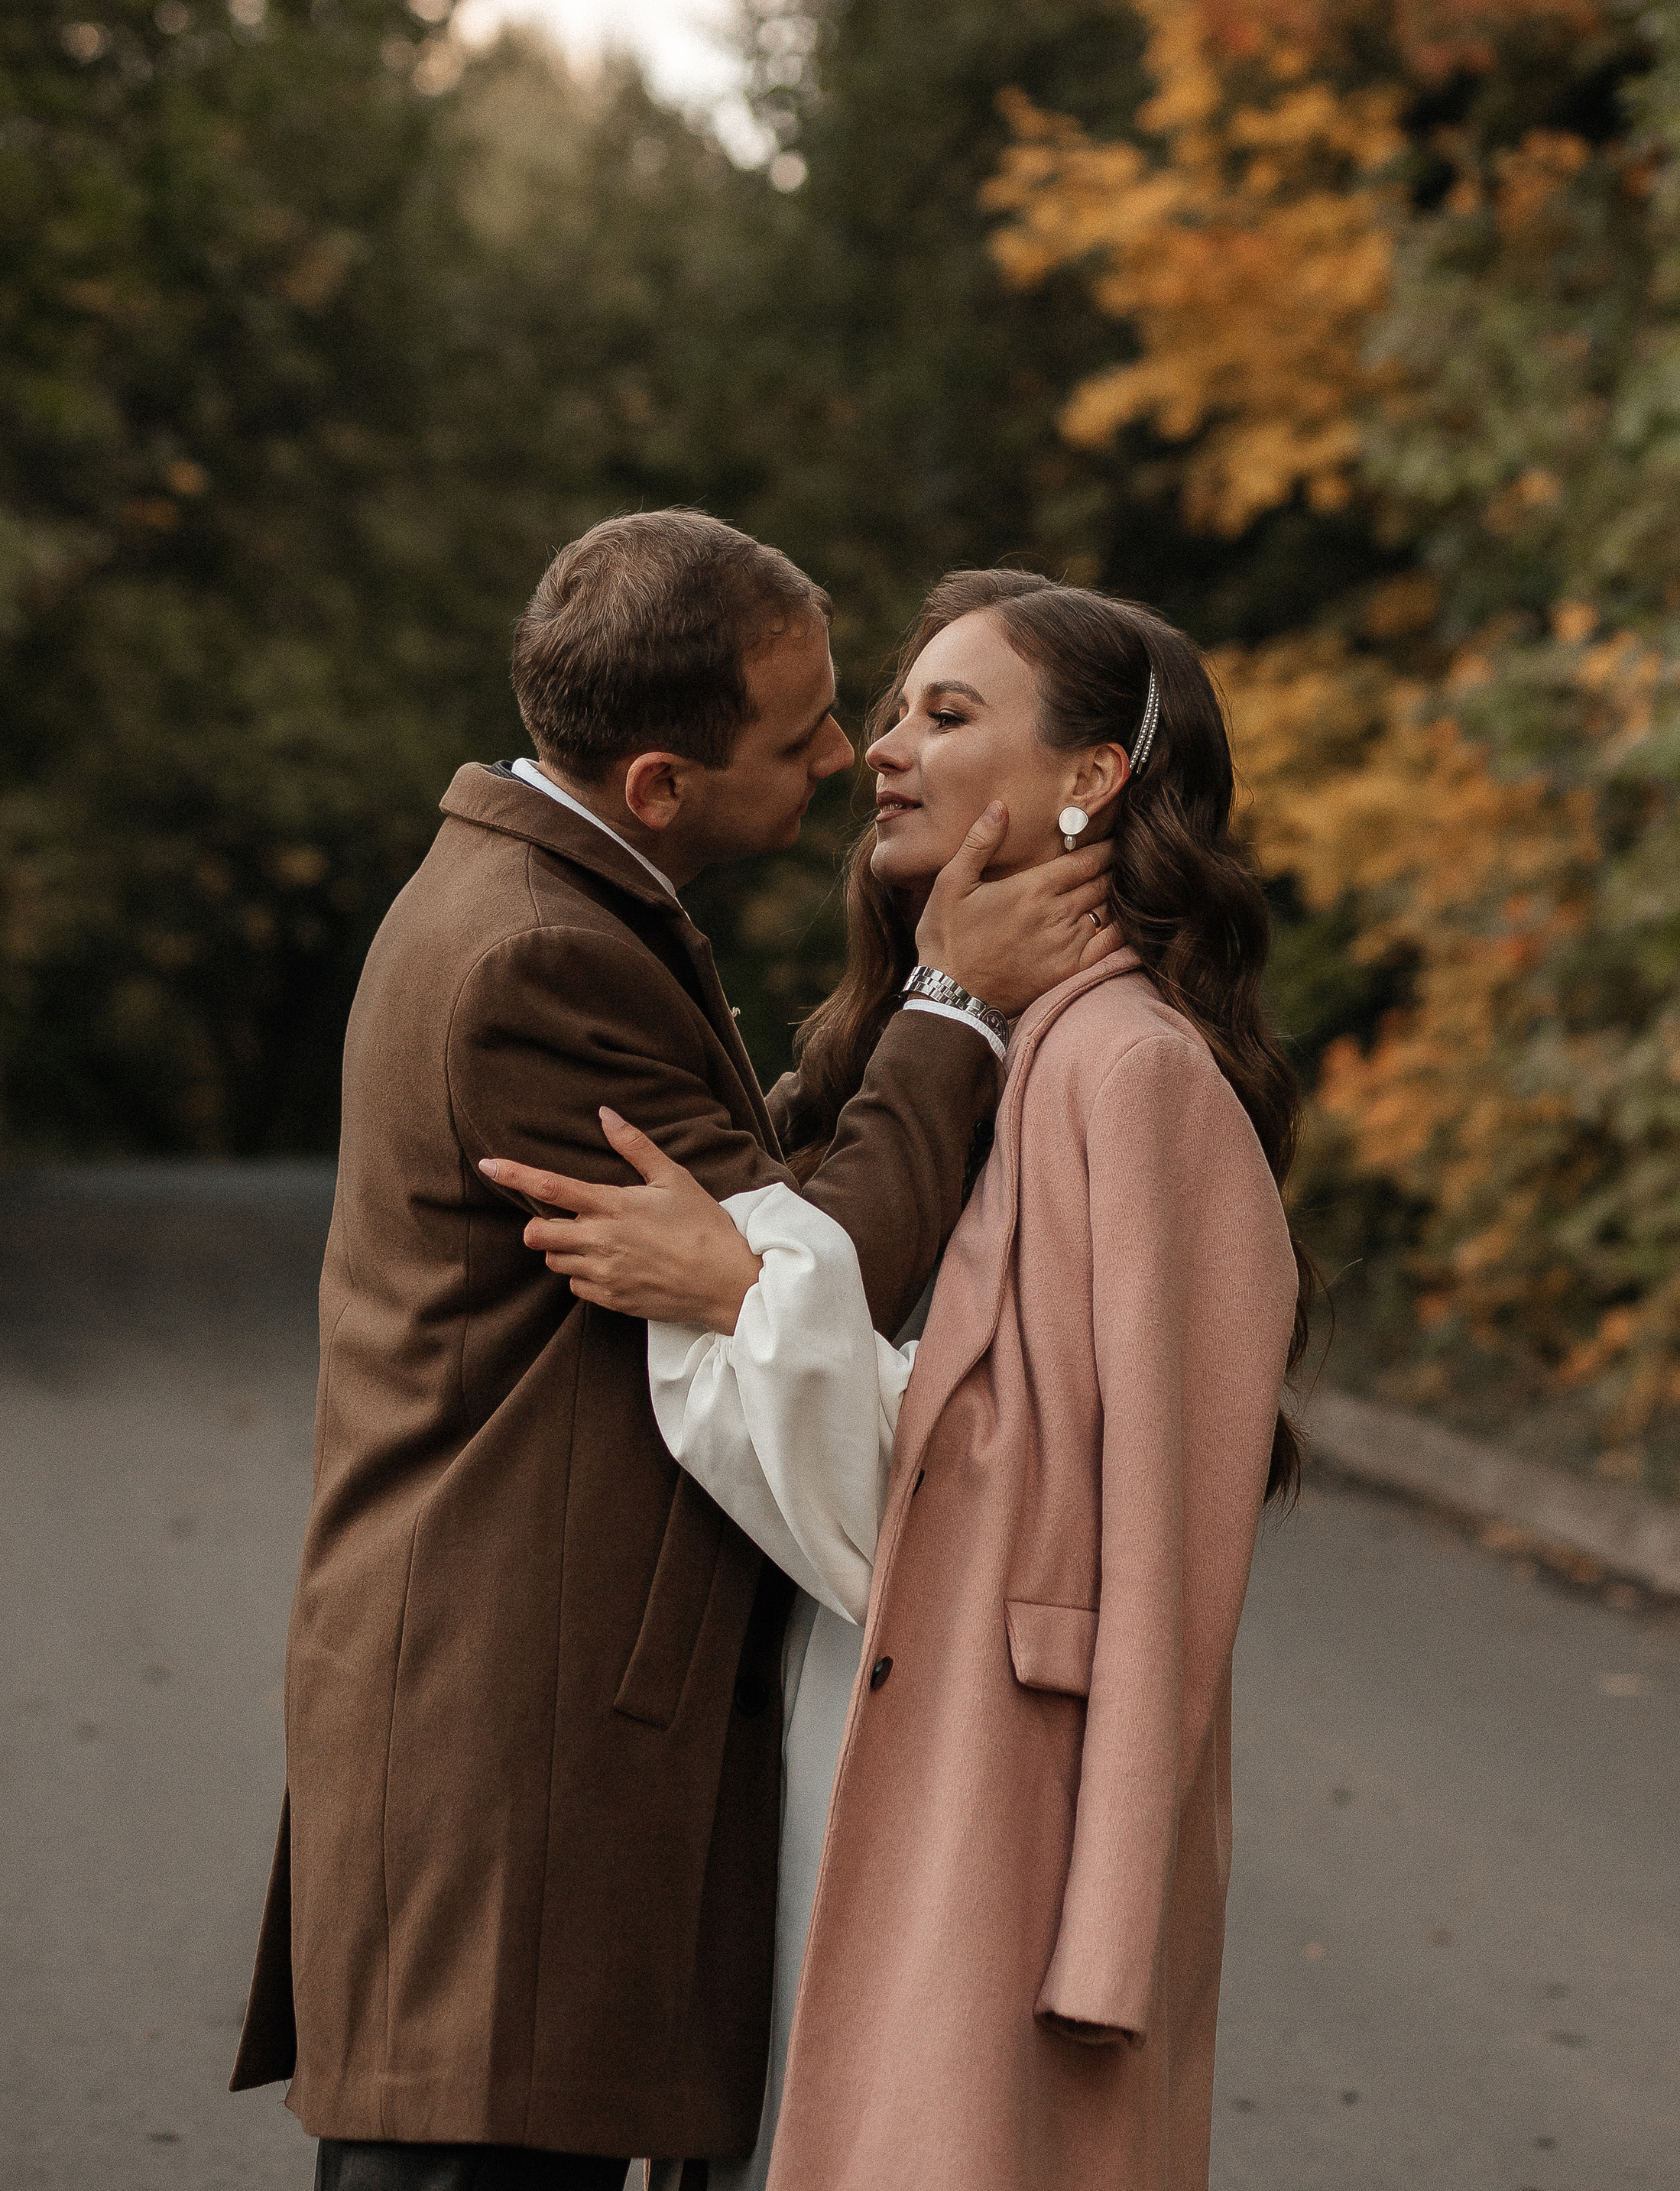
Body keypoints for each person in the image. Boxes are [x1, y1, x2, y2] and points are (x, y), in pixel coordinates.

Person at [231, 516, 1115, 2191]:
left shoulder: (560, 892)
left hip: (518, 1690)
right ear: (657, 783)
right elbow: (823, 1273)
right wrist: (952, 1006)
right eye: (800, 735)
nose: (847, 753)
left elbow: (752, 1215)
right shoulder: (535, 951)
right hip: (518, 1712)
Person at [487, 569, 1306, 2191]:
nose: (880, 747)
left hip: (996, 1782)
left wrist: (741, 1293)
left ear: (1090, 778)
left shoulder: (1133, 1072)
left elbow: (1102, 1521)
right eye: (891, 710)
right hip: (847, 1716)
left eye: (947, 712)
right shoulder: (968, 1043)